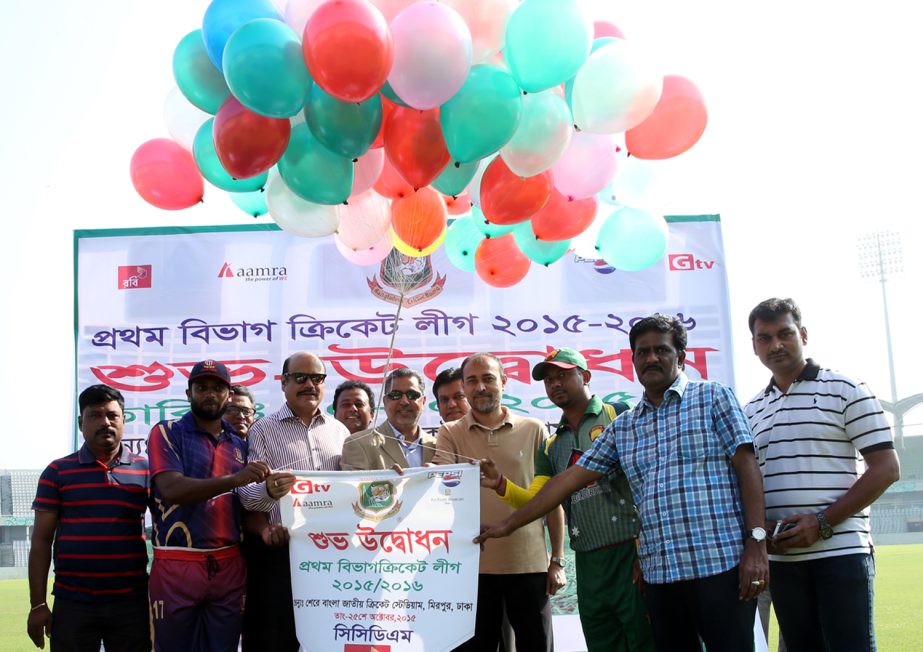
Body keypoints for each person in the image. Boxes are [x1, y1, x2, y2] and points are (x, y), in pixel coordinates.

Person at [476, 315, 769, 652]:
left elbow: (747, 466)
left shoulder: (712, 397)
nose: (651, 358)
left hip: (719, 566)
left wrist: (756, 542)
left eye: (661, 350)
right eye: (642, 352)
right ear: (632, 362)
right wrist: (506, 524)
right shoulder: (625, 427)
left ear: (682, 357)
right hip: (661, 576)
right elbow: (568, 480)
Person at [744, 298, 900, 652]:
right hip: (783, 563)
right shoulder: (751, 410)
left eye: (785, 334)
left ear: (803, 334)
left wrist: (823, 522)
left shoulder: (845, 388)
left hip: (840, 554)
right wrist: (760, 528)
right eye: (764, 338)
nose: (776, 344)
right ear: (754, 346)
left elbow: (887, 468)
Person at [481, 347, 654, 652]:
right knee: (604, 644)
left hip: (631, 552)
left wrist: (648, 549)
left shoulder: (620, 413)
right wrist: (502, 485)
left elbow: (653, 477)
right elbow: (537, 501)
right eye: (548, 380)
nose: (555, 384)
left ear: (585, 376)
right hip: (588, 561)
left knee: (647, 641)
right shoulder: (552, 444)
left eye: (563, 375)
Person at [147, 360, 280, 652]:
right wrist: (236, 478)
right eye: (201, 387)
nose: (209, 394)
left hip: (229, 564)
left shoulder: (240, 444)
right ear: (188, 393)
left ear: (228, 394)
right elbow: (171, 490)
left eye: (218, 387)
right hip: (178, 562)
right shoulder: (167, 432)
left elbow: (246, 508)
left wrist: (265, 529)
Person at [434, 353, 562, 652]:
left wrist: (556, 560)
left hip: (529, 567)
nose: (480, 387)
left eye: (488, 378)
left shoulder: (534, 429)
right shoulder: (449, 432)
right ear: (464, 388)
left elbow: (552, 499)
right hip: (473, 569)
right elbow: (438, 479)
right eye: (472, 381)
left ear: (504, 382)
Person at [238, 351, 349, 652]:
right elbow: (246, 497)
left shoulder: (340, 431)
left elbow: (354, 492)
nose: (309, 385)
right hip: (281, 555)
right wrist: (269, 492)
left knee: (330, 637)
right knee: (278, 638)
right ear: (284, 383)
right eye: (300, 378)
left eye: (317, 378)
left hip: (333, 559)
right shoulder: (263, 429)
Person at [27, 385, 150, 652]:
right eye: (95, 415)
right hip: (74, 604)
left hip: (131, 603)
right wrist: (38, 605)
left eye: (113, 415)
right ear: (81, 422)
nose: (105, 422)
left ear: (124, 420)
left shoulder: (146, 469)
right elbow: (40, 542)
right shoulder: (58, 471)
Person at [341, 368, 437, 470]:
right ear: (385, 401)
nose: (404, 402)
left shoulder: (438, 446)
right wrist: (385, 481)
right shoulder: (358, 444)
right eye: (395, 395)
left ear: (423, 401)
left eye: (412, 395)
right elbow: (353, 485)